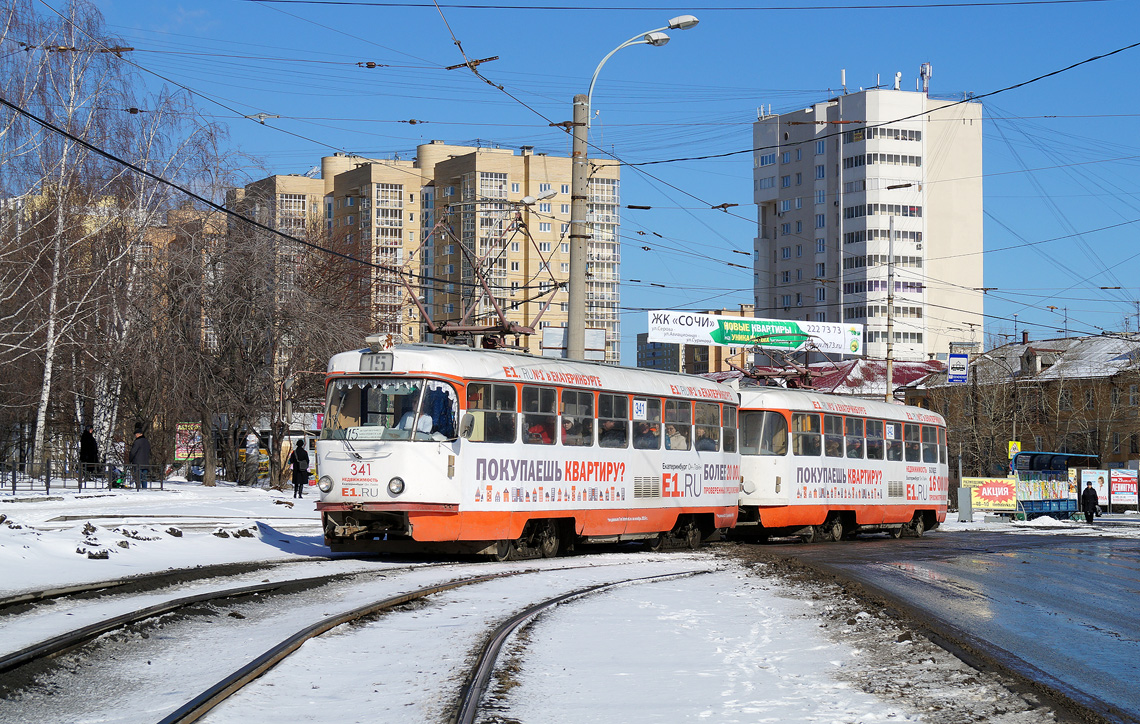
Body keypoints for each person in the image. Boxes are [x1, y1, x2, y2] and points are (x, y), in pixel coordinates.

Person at [129, 424, 151, 490]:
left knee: (138, 477)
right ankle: (144, 489)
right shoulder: (147, 442)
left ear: (139, 434)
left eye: (136, 434)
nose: (135, 436)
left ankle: (138, 489)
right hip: (146, 463)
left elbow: (133, 452)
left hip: (137, 463)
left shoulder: (137, 442)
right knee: (144, 478)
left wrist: (130, 459)